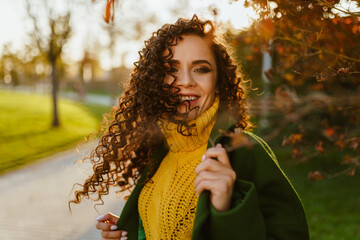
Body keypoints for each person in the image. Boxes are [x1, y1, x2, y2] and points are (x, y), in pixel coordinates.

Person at [70, 15, 309, 240]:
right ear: (155, 81)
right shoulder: (162, 151)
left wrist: (227, 208)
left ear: (218, 81)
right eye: (171, 70)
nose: (185, 81)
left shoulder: (244, 151)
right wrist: (135, 229)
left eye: (201, 69)